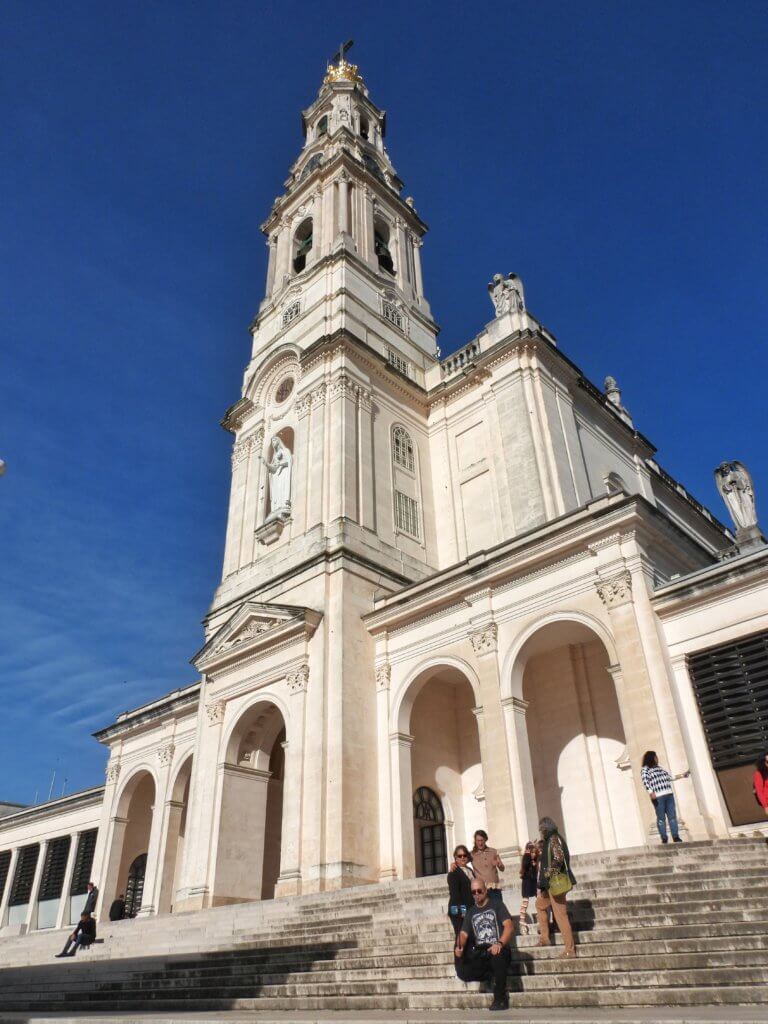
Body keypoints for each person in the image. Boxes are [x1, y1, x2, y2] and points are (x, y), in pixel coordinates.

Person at [454, 877, 513, 1012]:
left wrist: (499, 943)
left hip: (499, 949)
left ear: (486, 891)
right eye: (473, 892)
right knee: (462, 969)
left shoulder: (497, 905)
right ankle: (492, 976)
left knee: (497, 956)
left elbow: (509, 926)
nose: (476, 895)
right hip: (482, 952)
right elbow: (463, 934)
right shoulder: (471, 912)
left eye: (479, 891)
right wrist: (459, 946)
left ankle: (500, 998)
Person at [536, 816, 576, 958]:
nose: (541, 832)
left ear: (546, 828)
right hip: (549, 886)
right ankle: (545, 938)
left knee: (561, 917)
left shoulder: (553, 839)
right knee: (540, 905)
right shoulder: (552, 839)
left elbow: (558, 858)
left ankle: (569, 950)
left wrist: (548, 874)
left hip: (555, 884)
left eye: (542, 830)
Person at [640, 751, 683, 844]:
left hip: (669, 794)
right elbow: (645, 781)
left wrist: (683, 775)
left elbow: (670, 778)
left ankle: (676, 837)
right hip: (658, 797)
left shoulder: (660, 769)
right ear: (651, 758)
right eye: (656, 757)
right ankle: (664, 838)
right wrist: (650, 792)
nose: (657, 758)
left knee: (672, 817)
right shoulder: (645, 769)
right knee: (661, 818)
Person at [447, 844, 475, 939]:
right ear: (456, 857)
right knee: (461, 937)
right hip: (458, 910)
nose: (462, 858)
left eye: (464, 855)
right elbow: (455, 895)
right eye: (460, 856)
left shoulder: (470, 870)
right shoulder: (453, 873)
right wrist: (463, 912)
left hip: (470, 908)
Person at [470, 829, 505, 905]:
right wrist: (453, 864)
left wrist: (499, 865)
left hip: (495, 889)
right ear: (475, 841)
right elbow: (461, 861)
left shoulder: (493, 851)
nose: (480, 843)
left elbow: (502, 869)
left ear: (485, 839)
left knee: (499, 911)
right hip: (481, 891)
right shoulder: (471, 855)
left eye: (482, 840)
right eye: (478, 841)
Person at [518, 841, 538, 934]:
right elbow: (525, 863)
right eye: (532, 852)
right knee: (525, 902)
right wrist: (528, 854)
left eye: (534, 852)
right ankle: (522, 922)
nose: (533, 854)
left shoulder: (535, 860)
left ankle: (540, 918)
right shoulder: (527, 858)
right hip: (527, 882)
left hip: (534, 882)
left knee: (539, 900)